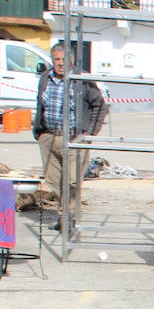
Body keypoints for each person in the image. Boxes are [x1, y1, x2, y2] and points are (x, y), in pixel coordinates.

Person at [34, 42, 108, 203]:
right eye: (56, 59)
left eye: (63, 59)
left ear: (71, 60)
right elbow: (40, 105)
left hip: (74, 137)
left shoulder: (81, 79)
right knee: (53, 181)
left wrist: (89, 133)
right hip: (49, 136)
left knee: (72, 181)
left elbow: (100, 105)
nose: (60, 63)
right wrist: (39, 133)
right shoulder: (46, 78)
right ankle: (64, 213)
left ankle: (70, 219)